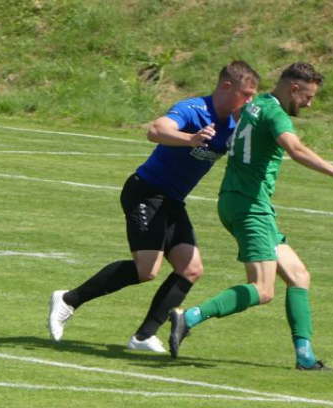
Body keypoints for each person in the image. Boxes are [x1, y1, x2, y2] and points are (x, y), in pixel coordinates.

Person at [48, 61, 260, 352]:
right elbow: (156, 129)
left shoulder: (234, 125)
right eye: (246, 94)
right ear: (226, 87)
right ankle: (68, 299)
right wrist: (191, 139)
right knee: (147, 270)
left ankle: (144, 336)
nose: (249, 101)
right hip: (145, 192)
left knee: (191, 269)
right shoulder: (194, 109)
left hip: (172, 200)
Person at [168, 62, 333, 369]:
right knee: (262, 289)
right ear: (293, 88)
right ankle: (189, 317)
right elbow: (295, 149)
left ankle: (306, 358)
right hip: (250, 207)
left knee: (298, 276)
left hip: (239, 200)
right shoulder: (275, 114)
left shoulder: (254, 103)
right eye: (307, 97)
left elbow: (238, 120)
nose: (310, 104)